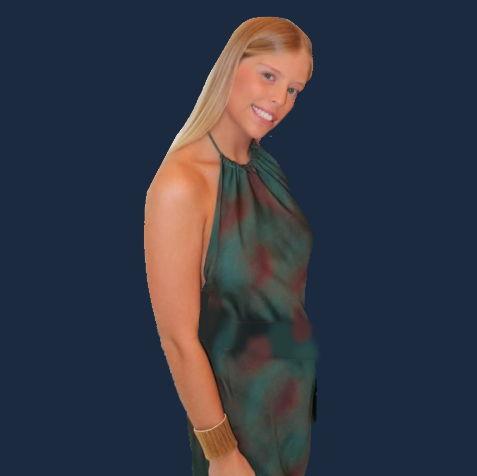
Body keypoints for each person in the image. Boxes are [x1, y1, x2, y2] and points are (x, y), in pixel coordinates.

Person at [144, 17, 319, 476]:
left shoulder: (263, 166)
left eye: (294, 89)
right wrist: (221, 451)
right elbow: (178, 339)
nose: (279, 100)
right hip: (237, 422)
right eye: (269, 76)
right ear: (230, 66)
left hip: (291, 410)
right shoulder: (181, 185)